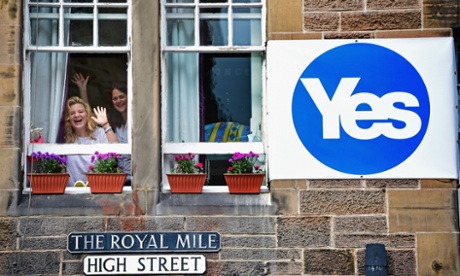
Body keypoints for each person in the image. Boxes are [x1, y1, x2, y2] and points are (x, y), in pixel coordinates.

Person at [72, 73, 131, 183]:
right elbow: (88, 115)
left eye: (122, 96)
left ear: (129, 96)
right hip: (118, 179)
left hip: (133, 180)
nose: (119, 101)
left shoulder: (136, 123)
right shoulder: (114, 120)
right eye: (115, 98)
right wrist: (83, 89)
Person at [64, 96, 117, 186]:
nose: (77, 115)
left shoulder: (99, 133)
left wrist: (105, 124)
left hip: (97, 191)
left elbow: (117, 153)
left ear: (87, 114)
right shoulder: (65, 137)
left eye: (80, 112)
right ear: (69, 118)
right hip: (72, 193)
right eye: (72, 113)